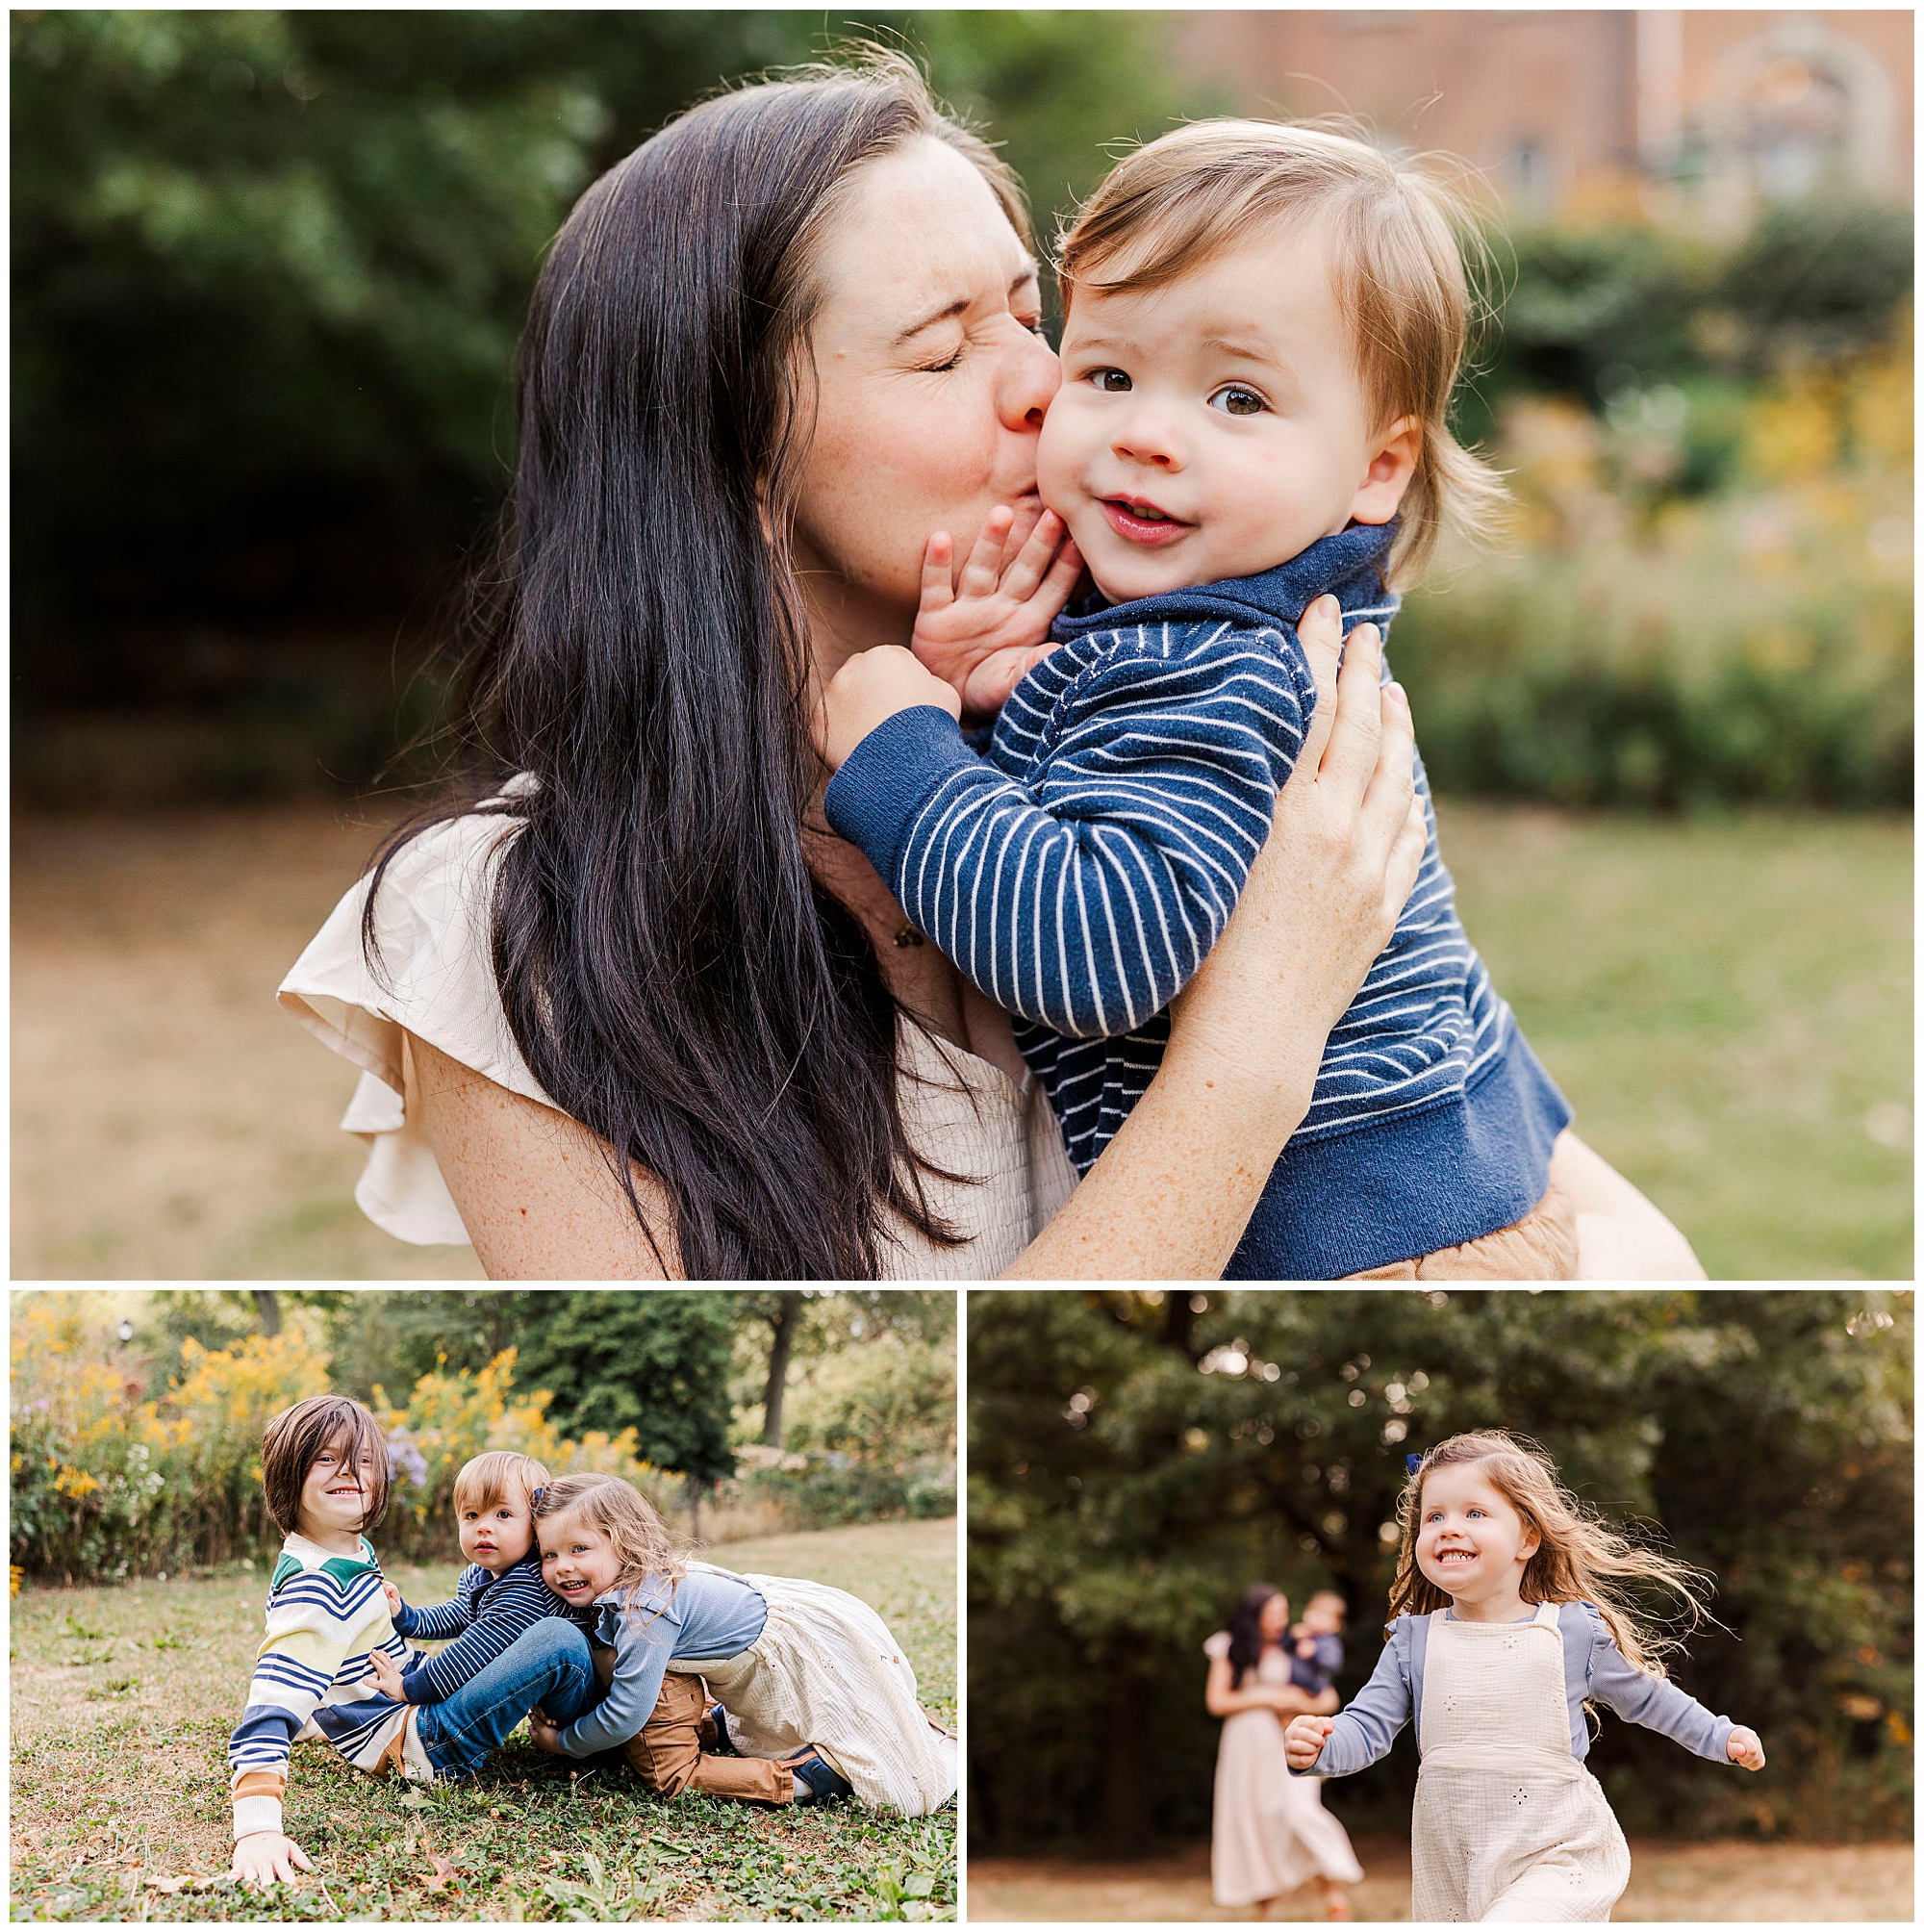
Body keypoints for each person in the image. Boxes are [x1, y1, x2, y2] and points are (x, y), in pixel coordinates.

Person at [274, 56, 1446, 1283]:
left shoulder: (1118, 734)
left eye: (1029, 319)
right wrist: (1260, 1030)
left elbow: (1569, 1210)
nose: (1049, 386)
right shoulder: (514, 932)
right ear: (733, 464)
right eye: (944, 354)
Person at [818, 118, 1705, 1281]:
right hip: (1428, 1188)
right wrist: (996, 704)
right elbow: (1134, 824)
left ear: (1376, 467)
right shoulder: (1213, 628)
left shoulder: (1217, 668)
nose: (1146, 433)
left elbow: (1095, 955)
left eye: (1236, 399)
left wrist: (906, 753)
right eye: (1109, 372)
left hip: (1366, 1251)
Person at [1284, 1431, 1767, 1921]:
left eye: (1474, 1513)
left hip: (1555, 1847)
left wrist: (1719, 1734)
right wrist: (1321, 1747)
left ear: (1529, 1538)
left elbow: (1649, 1699)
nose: (1450, 1528)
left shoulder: (1569, 1631)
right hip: (1455, 1857)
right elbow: (1366, 1729)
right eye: (1435, 1517)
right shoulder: (1414, 1641)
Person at [365, 1448, 784, 1806]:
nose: (483, 1526)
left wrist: (410, 1688)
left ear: (534, 1526)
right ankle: (713, 1729)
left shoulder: (528, 1585)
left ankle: (791, 1778)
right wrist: (409, 1617)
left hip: (611, 1707)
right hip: (610, 1701)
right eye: (470, 1515)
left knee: (561, 1642)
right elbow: (462, 1614)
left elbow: (476, 1650)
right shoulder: (482, 1576)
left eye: (503, 1514)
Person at [523, 1473, 954, 1814]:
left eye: (579, 1548)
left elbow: (626, 1714)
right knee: (761, 1721)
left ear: (625, 1542)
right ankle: (720, 1725)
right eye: (549, 1554)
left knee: (675, 1774)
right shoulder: (636, 1584)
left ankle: (808, 1776)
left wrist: (563, 1743)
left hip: (794, 1652)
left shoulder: (645, 1609)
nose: (562, 1567)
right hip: (774, 1637)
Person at [227, 1395, 413, 1889]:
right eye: (327, 1458)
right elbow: (270, 1701)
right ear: (289, 1473)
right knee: (553, 1641)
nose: (350, 1471)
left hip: (396, 1700)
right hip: (409, 1738)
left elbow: (338, 1647)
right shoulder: (317, 1584)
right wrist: (257, 1829)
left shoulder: (345, 1549)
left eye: (365, 1460)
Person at [1205, 1585, 1363, 1921]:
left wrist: (1300, 1703)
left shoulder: (1295, 1648)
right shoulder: (1230, 1646)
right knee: (1255, 1823)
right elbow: (1217, 1701)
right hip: (1245, 1746)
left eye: (1283, 1611)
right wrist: (1266, 1699)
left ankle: (1334, 1891)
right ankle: (1265, 1911)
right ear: (1254, 1617)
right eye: (1272, 1614)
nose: (1280, 1620)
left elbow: (1329, 1699)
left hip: (1285, 1742)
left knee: (1297, 1813)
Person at [1286, 1589, 1348, 1700]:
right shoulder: (1303, 1634)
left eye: (1322, 1616)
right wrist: (1291, 1637)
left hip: (1312, 1691)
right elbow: (1284, 1650)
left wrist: (1314, 1653)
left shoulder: (1330, 1642)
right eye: (1313, 1613)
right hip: (1291, 1685)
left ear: (1336, 1625)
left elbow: (1334, 1664)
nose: (1316, 1619)